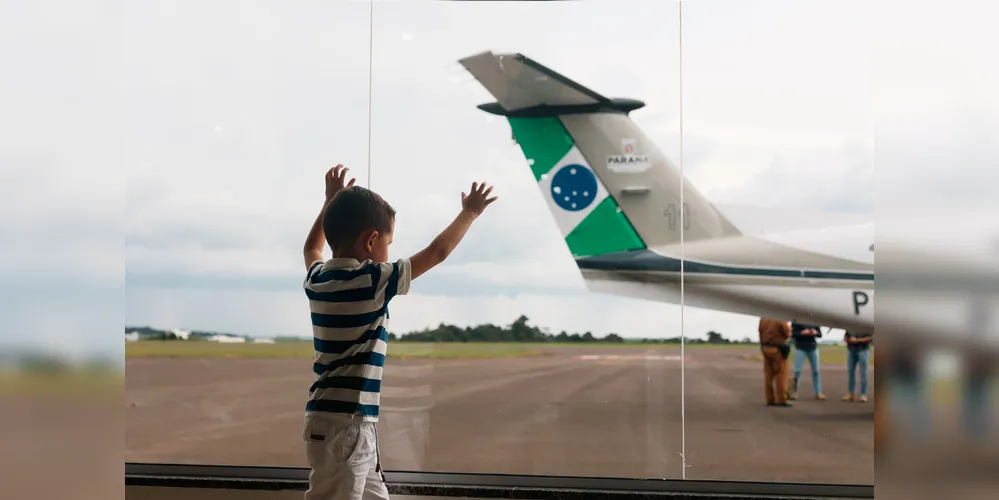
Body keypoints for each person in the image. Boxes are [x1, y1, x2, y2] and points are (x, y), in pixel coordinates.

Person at [301, 165, 497, 500]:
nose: (390, 252)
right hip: (349, 423)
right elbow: (437, 252)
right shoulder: (373, 280)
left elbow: (311, 249)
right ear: (371, 240)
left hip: (334, 418)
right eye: (389, 242)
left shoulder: (317, 278)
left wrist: (329, 201)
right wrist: (469, 213)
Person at [759, 318, 793, 407]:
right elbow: (787, 333)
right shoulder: (780, 318)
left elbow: (760, 332)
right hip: (778, 349)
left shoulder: (763, 319)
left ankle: (770, 399)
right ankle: (782, 399)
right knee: (781, 374)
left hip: (766, 347)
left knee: (768, 375)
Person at [789, 321, 826, 400]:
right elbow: (792, 334)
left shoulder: (813, 320)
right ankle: (793, 393)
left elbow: (820, 334)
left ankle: (818, 393)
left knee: (816, 371)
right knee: (797, 371)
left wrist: (815, 333)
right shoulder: (796, 321)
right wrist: (802, 333)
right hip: (800, 347)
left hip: (813, 347)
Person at [843, 331, 873, 402]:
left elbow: (869, 338)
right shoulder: (849, 327)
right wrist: (848, 340)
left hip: (863, 350)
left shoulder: (864, 326)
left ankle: (863, 394)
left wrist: (857, 340)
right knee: (850, 372)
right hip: (851, 350)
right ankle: (851, 393)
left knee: (863, 373)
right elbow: (845, 337)